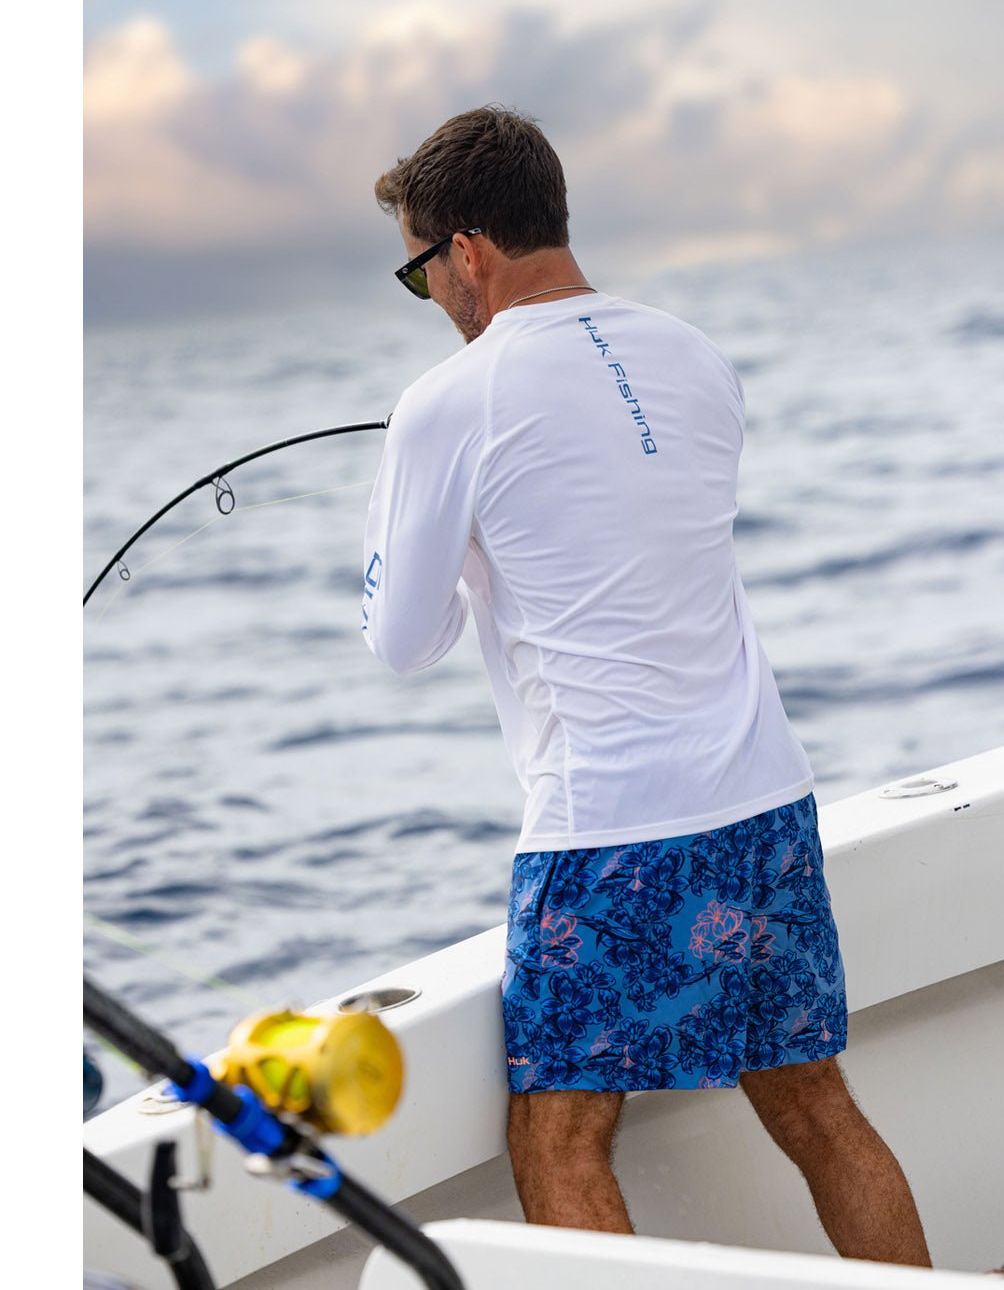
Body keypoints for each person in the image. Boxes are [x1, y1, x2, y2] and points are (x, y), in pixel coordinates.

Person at [361, 105, 931, 1266]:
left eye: (419, 274)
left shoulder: (446, 401)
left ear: (462, 250)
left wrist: (469, 564)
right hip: (762, 803)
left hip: (604, 833)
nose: (434, 301)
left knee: (555, 1141)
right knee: (816, 1108)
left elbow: (398, 639)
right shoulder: (691, 351)